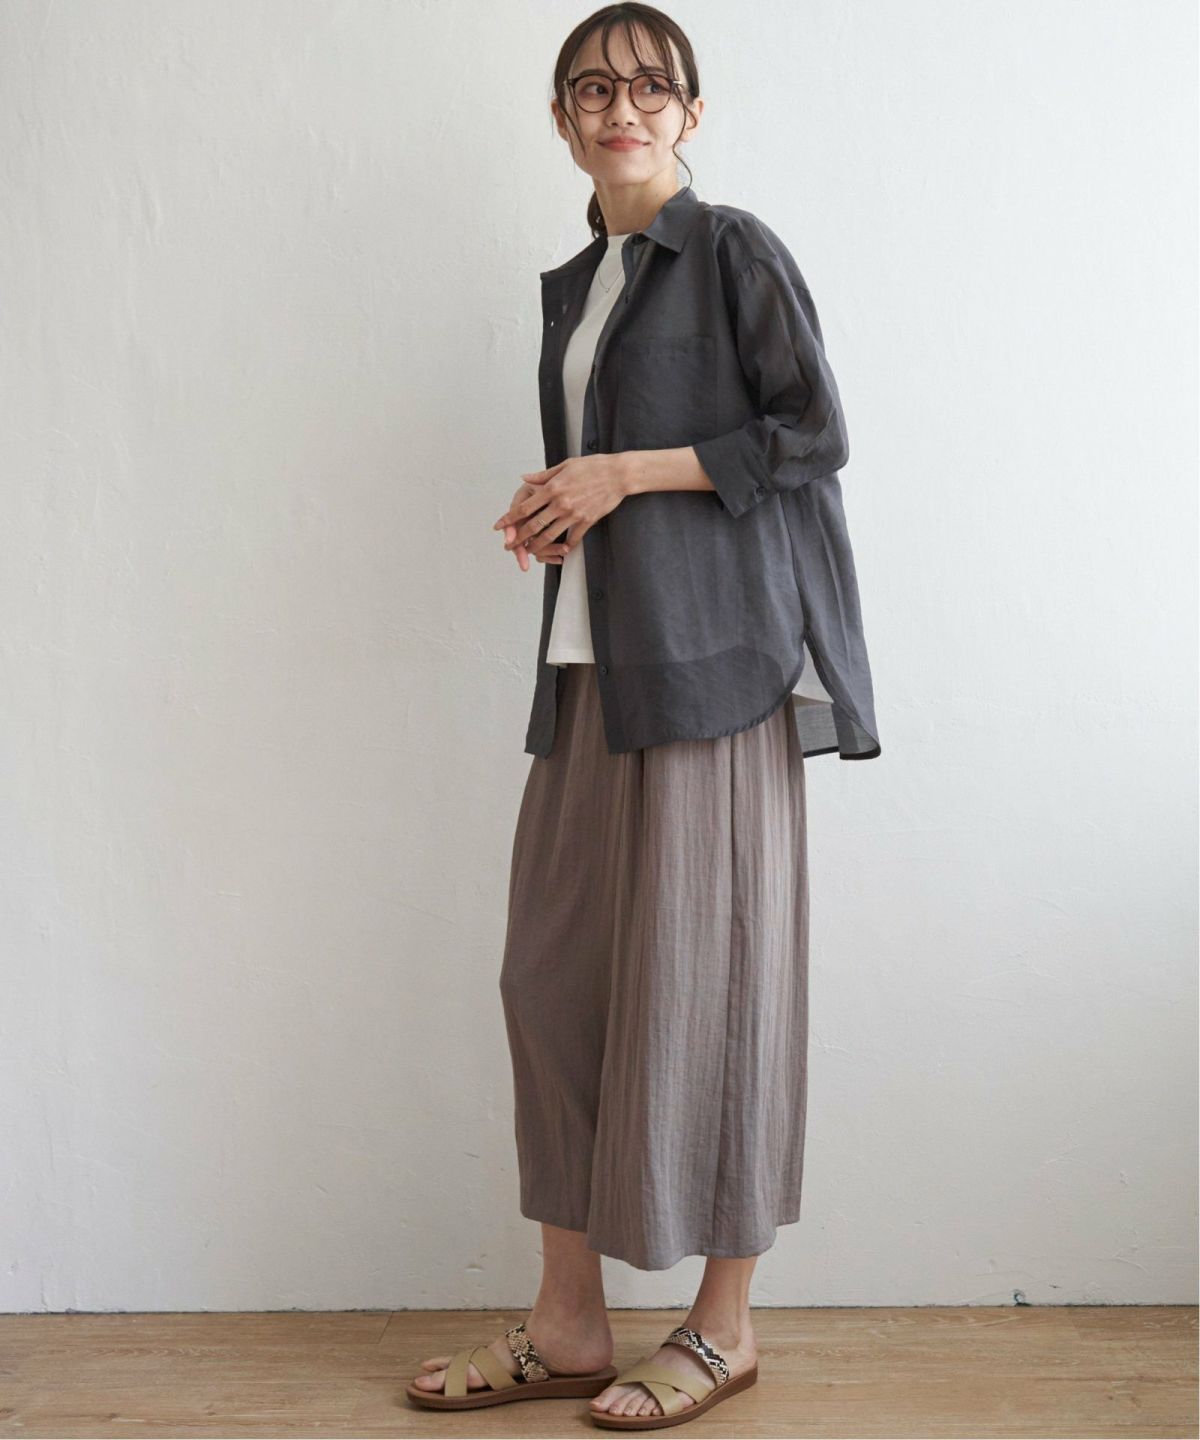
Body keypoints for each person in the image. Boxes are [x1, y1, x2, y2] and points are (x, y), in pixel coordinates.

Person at [407, 2, 881, 1429]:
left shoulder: (731, 249)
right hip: (590, 669)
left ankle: (724, 1327)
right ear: (563, 123)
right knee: (549, 983)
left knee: (713, 984)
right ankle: (569, 1322)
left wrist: (621, 472)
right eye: (594, 89)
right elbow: (620, 466)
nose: (623, 107)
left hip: (715, 669)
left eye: (651, 86)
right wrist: (563, 504)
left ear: (691, 113)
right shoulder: (582, 282)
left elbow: (813, 433)